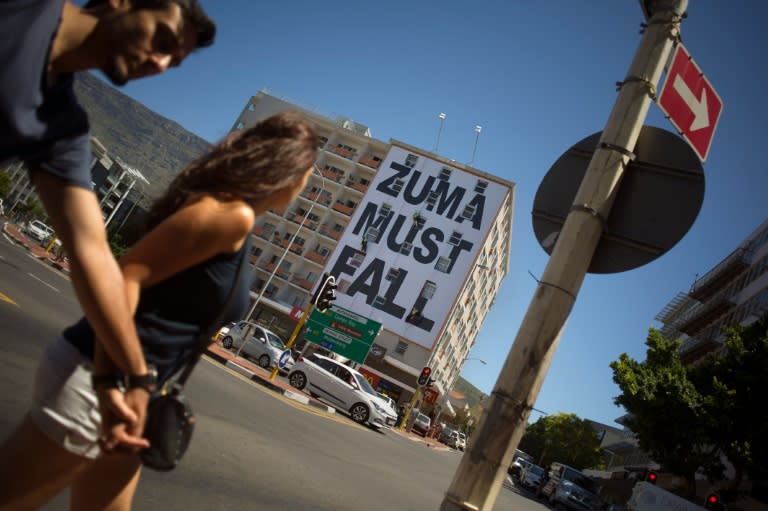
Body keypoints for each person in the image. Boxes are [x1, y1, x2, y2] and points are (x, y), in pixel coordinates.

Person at [0, 112, 318, 510]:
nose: (306, 185)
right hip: (102, 382)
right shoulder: (229, 215)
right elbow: (125, 277)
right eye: (309, 174)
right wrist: (118, 381)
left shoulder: (236, 217)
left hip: (133, 395)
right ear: (294, 172)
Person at [0, 0, 216, 451]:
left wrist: (133, 377)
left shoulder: (61, 125)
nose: (159, 64)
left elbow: (92, 252)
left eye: (173, 61)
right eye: (162, 39)